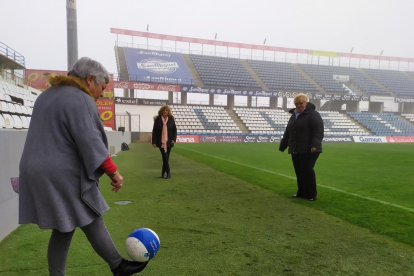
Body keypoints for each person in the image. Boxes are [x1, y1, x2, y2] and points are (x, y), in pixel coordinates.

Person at [19, 57, 148, 276]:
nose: (102, 93)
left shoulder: (45, 96)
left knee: (64, 226)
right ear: (90, 80)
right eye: (102, 86)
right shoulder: (80, 99)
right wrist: (113, 172)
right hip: (59, 172)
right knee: (89, 212)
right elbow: (90, 141)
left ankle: (114, 266)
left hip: (34, 169)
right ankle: (118, 266)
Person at [279, 93, 324, 201]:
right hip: (296, 148)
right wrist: (283, 145)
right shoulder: (293, 116)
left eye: (301, 103)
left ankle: (311, 194)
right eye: (297, 104)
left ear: (306, 103)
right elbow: (288, 132)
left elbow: (318, 131)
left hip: (309, 149)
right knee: (299, 171)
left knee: (307, 170)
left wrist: (315, 145)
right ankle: (301, 192)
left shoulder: (313, 114)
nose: (299, 105)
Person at [152, 105, 177, 179]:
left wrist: (174, 139)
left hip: (169, 142)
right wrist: (154, 141)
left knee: (166, 158)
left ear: (168, 111)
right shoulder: (158, 119)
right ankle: (168, 173)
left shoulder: (171, 119)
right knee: (165, 157)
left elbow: (174, 130)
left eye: (166, 110)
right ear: (161, 111)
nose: (165, 111)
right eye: (164, 110)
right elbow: (154, 131)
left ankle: (163, 173)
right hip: (161, 142)